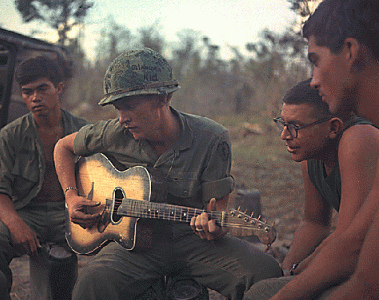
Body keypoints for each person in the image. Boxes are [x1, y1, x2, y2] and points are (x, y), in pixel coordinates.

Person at [53, 48, 282, 300]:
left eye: (129, 107)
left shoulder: (212, 138)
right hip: (132, 246)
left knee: (266, 273)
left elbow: (217, 211)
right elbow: (62, 147)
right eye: (118, 108)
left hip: (193, 241)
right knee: (91, 284)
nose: (122, 119)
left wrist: (214, 228)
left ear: (162, 99)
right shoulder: (113, 132)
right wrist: (71, 197)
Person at [243, 79, 379, 300]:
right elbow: (315, 223)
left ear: (333, 127)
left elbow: (349, 242)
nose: (284, 135)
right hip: (353, 258)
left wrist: (301, 273)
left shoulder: (359, 139)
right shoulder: (311, 154)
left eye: (295, 127)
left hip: (366, 265)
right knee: (263, 288)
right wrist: (287, 270)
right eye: (283, 123)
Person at [0, 56, 88, 294]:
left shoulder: (83, 131)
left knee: (118, 241)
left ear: (58, 88)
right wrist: (15, 223)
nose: (35, 98)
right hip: (29, 213)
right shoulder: (11, 135)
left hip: (71, 213)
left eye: (42, 89)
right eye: (27, 92)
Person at [303, 0, 379, 298]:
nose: (314, 80)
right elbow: (356, 253)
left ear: (350, 51)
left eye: (316, 60)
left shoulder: (358, 137)